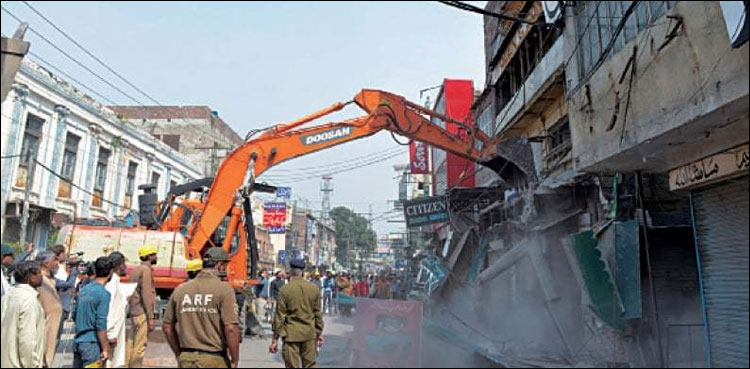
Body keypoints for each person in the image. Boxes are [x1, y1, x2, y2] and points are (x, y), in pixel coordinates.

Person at [163, 247, 240, 368]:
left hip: (186, 359)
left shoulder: (180, 289)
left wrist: (179, 354)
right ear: (220, 266)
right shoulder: (224, 290)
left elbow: (167, 327)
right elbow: (230, 328)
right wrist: (235, 360)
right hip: (214, 359)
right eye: (226, 265)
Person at [269, 258, 324, 368]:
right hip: (309, 334)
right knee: (310, 365)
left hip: (291, 336)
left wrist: (274, 340)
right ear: (303, 272)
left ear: (290, 271)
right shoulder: (314, 289)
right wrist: (319, 334)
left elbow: (279, 317)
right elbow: (318, 314)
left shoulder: (285, 290)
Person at [0, 260, 46, 368]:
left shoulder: (8, 296)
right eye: (39, 273)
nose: (42, 276)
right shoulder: (29, 300)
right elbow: (27, 340)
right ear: (31, 277)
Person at [73, 257, 113, 368]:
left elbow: (74, 314)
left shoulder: (84, 289)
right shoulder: (103, 294)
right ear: (111, 272)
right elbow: (100, 323)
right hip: (91, 344)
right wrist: (105, 348)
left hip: (78, 341)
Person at [35, 250, 69, 366]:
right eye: (54, 259)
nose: (57, 262)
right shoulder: (40, 281)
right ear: (46, 263)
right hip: (45, 330)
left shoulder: (50, 280)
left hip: (54, 328)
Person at [126, 245, 157, 368]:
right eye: (154, 254)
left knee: (131, 343)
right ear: (149, 256)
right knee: (140, 345)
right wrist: (151, 317)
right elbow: (146, 294)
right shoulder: (146, 270)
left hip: (134, 311)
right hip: (141, 312)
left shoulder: (136, 269)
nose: (156, 256)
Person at [105, 252, 129, 368]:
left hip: (115, 332)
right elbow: (109, 310)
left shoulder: (116, 282)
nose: (126, 267)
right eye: (124, 263)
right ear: (119, 265)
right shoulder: (111, 284)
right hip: (111, 334)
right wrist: (110, 334)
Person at [51, 245, 79, 321]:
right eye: (64, 253)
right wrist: (74, 271)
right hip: (59, 303)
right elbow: (65, 284)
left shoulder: (60, 267)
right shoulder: (56, 268)